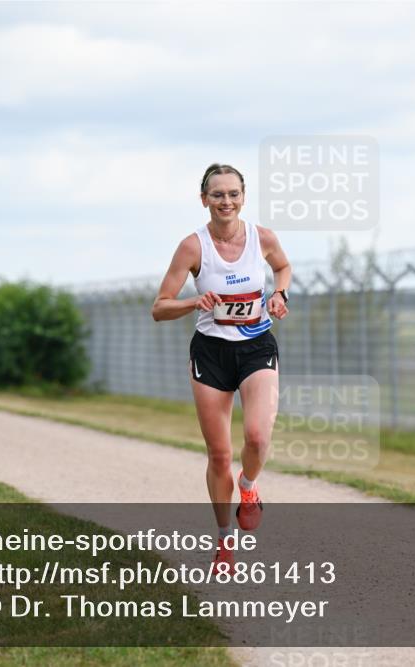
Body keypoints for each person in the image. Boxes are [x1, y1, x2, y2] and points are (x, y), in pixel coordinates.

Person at [152, 163, 291, 574]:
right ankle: (224, 542)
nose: (226, 201)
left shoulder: (262, 238)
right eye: (218, 195)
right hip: (211, 352)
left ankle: (248, 488)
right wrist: (194, 302)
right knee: (219, 455)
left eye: (233, 194)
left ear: (243, 198)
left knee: (257, 437)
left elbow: (283, 266)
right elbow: (159, 307)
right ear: (204, 200)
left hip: (255, 347)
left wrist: (280, 294)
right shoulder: (192, 247)